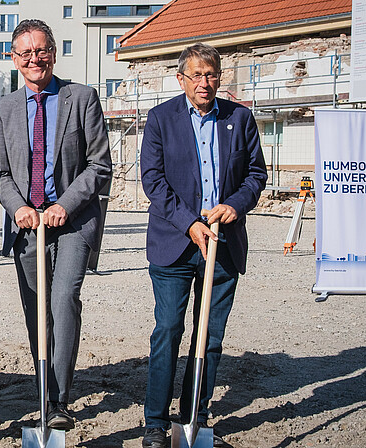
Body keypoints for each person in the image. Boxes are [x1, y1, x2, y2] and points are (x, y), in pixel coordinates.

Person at [139, 43, 268, 448]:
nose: (204, 83)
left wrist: (235, 204)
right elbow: (153, 181)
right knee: (169, 329)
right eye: (196, 75)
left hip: (224, 245)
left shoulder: (240, 119)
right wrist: (189, 223)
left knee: (209, 335)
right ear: (181, 79)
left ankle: (195, 412)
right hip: (174, 245)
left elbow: (255, 174)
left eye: (211, 74)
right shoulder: (162, 119)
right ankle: (155, 423)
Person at [0, 19, 112, 430]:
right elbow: (0, 174)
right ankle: (44, 389)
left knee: (63, 302)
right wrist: (17, 208)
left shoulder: (82, 98)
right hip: (27, 224)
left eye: (41, 50)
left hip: (73, 221)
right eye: (25, 53)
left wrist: (66, 204)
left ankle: (58, 401)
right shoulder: (3, 109)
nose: (34, 58)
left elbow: (99, 165)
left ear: (53, 53)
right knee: (35, 311)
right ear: (14, 59)